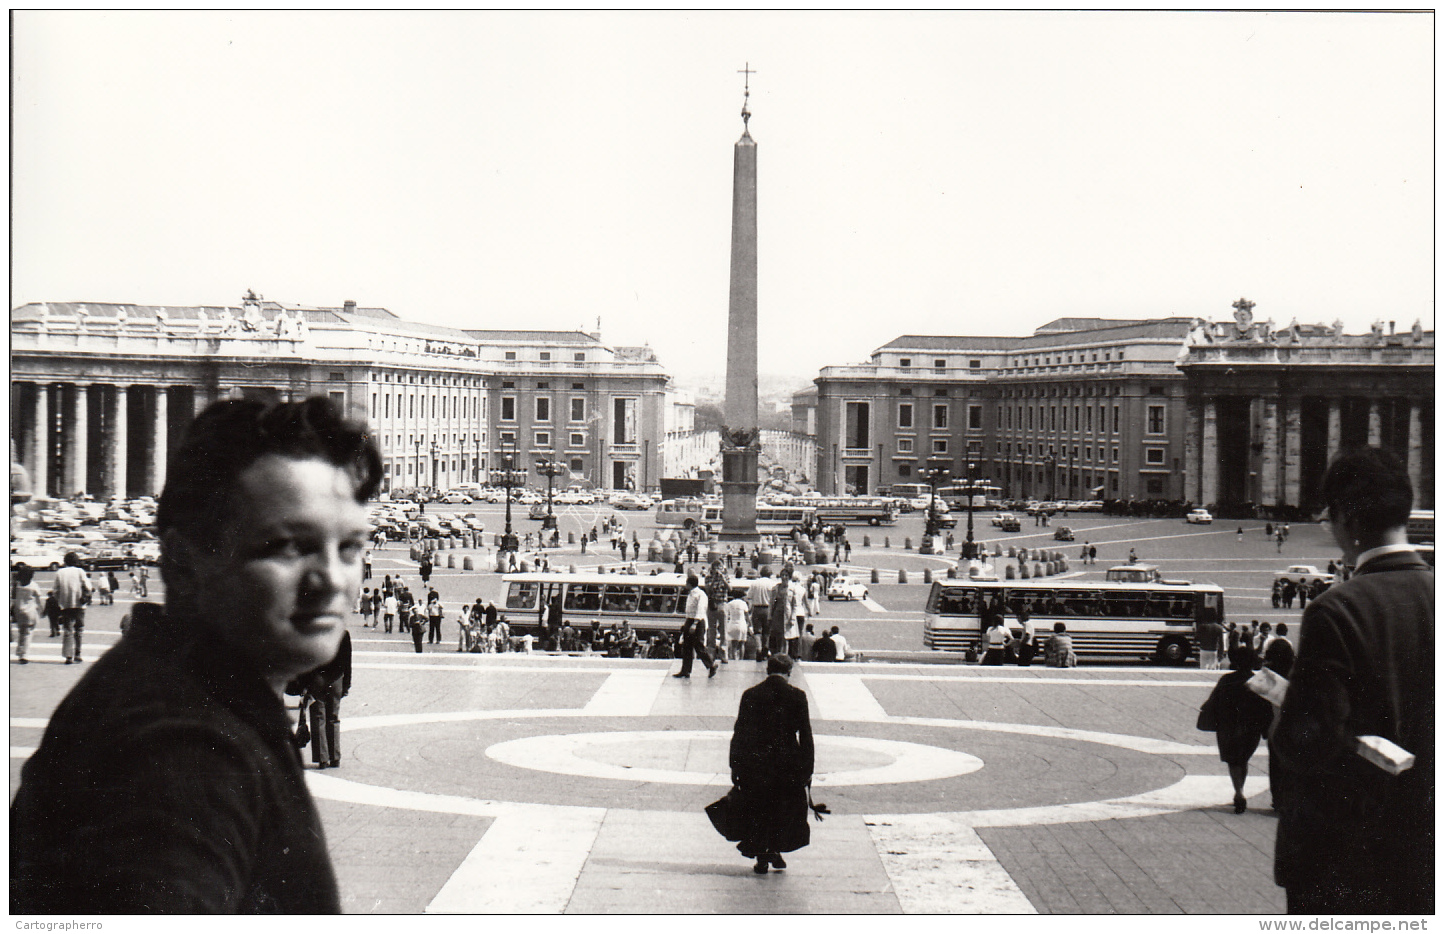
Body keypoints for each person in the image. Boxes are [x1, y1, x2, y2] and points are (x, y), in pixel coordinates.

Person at [11, 396, 377, 912]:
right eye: (289, 546)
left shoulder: (185, 693)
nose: (332, 581)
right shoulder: (183, 754)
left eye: (350, 547)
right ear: (184, 559)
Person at [1271, 448, 1433, 914]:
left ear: (1344, 517)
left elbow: (1307, 743)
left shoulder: (1338, 609)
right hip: (1426, 848)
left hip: (1344, 854)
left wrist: (1284, 706)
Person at [729, 653, 815, 874]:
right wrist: (807, 767)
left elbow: (740, 733)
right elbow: (805, 735)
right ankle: (774, 850)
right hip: (787, 762)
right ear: (789, 671)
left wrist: (735, 764)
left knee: (759, 808)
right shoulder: (798, 696)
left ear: (768, 669)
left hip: (756, 761)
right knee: (781, 809)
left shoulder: (750, 695)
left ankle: (762, 857)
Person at [1197, 645, 1272, 814]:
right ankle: (1240, 790)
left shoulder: (1226, 680)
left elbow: (1214, 702)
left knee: (1233, 760)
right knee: (1243, 760)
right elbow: (1265, 708)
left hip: (1229, 726)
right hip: (1251, 727)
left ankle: (1238, 791)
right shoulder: (1258, 681)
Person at [291, 630, 352, 770]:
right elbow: (347, 660)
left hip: (317, 679)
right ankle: (335, 757)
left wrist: (304, 684)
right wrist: (346, 683)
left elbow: (306, 659)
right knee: (334, 718)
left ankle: (322, 758)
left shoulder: (313, 631)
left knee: (318, 717)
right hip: (336, 679)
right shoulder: (343, 633)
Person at [672, 574, 717, 679]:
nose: (685, 585)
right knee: (686, 646)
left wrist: (695, 624)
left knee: (698, 646)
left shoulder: (700, 594)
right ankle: (685, 670)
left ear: (690, 584)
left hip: (697, 621)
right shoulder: (691, 594)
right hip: (689, 620)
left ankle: (711, 665)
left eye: (686, 583)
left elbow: (700, 609)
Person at [53, 552, 92, 664]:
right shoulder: (80, 571)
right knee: (79, 629)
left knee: (68, 630)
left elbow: (55, 590)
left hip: (65, 605)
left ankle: (68, 656)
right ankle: (78, 654)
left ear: (65, 561)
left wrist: (60, 601)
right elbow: (88, 587)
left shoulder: (60, 572)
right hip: (80, 605)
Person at [11, 564, 42, 665]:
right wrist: (42, 610)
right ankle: (24, 655)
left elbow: (13, 597)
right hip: (30, 612)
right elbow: (38, 600)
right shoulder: (33, 586)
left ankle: (20, 652)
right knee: (28, 634)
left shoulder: (17, 586)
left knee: (21, 632)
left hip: (18, 611)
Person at [724, 591, 750, 662]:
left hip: (732, 624)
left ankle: (734, 660)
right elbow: (747, 616)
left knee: (733, 645)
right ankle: (741, 659)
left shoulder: (730, 603)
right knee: (742, 644)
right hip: (742, 624)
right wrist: (750, 625)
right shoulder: (744, 603)